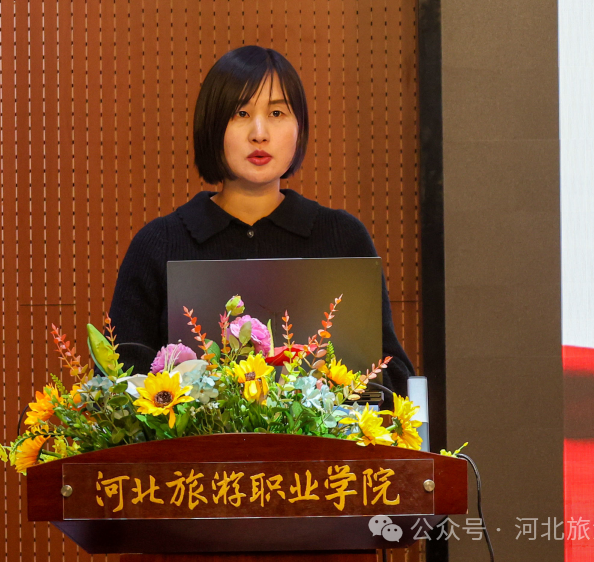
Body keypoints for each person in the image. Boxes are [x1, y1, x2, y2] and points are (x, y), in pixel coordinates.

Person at [108, 45, 415, 398]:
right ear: (212, 125)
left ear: (300, 127)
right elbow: (118, 385)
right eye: (241, 113)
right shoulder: (158, 245)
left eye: (277, 113)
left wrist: (334, 388)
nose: (259, 133)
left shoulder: (343, 238)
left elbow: (394, 379)